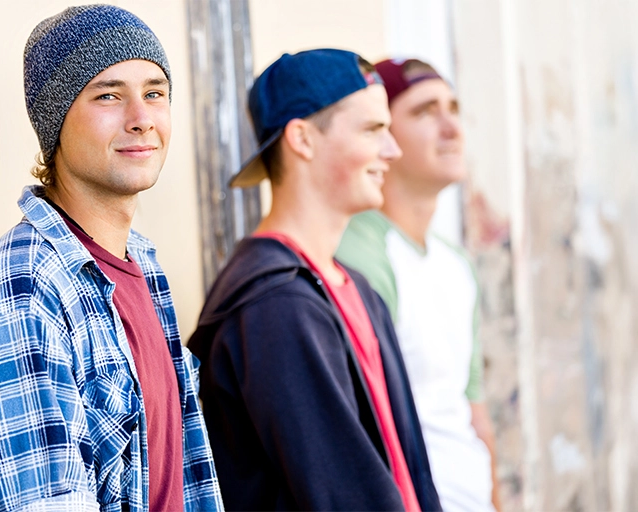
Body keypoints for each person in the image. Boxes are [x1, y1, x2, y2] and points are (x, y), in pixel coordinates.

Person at [0, 5, 222, 511]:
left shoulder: (139, 267)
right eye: (109, 95)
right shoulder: (25, 290)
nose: (142, 119)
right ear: (56, 120)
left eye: (155, 93)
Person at [187, 49, 442, 511]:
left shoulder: (355, 287)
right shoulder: (274, 305)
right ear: (302, 139)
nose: (393, 150)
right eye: (372, 130)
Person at [336, 57, 501, 512]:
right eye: (425, 111)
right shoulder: (357, 256)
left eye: (453, 108)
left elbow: (473, 412)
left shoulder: (456, 262)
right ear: (383, 134)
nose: (452, 128)